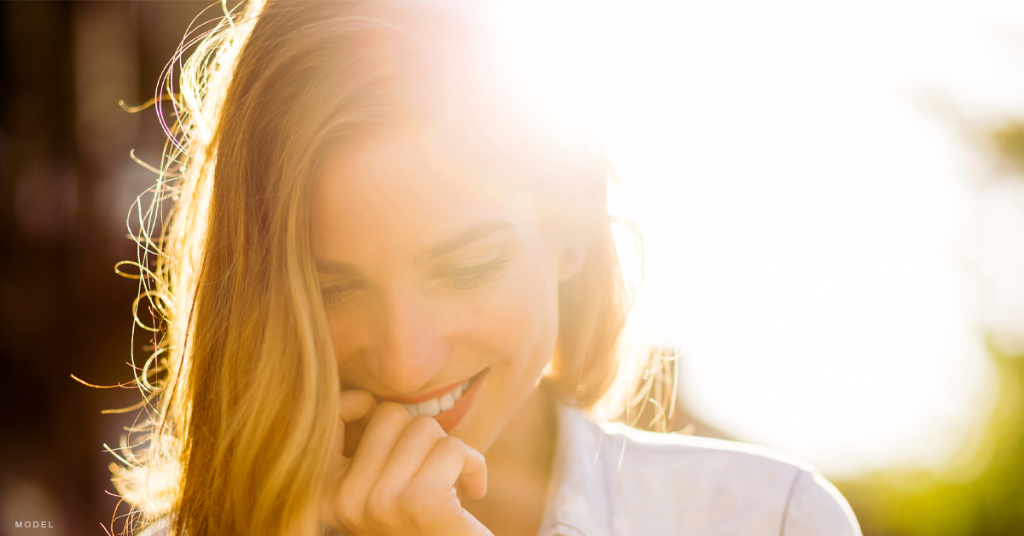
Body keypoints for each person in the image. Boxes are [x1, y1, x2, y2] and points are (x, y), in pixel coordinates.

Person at [117, 1, 863, 535]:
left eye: (468, 267)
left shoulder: (771, 518)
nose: (407, 361)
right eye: (334, 288)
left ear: (567, 230)